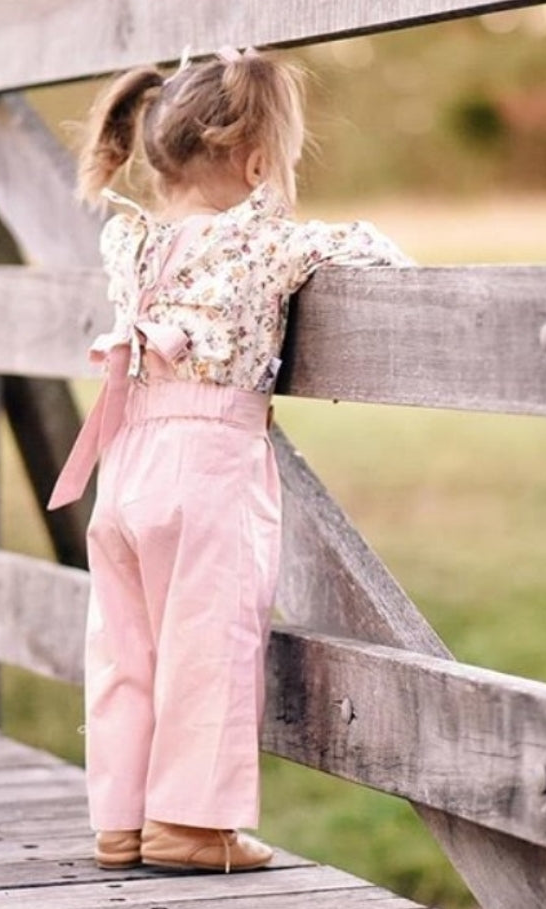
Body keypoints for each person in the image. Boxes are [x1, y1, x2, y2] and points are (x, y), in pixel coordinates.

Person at [48, 46, 410, 873]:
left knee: (124, 646)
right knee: (210, 642)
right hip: (210, 466)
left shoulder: (129, 242)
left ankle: (122, 818)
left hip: (125, 460)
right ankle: (190, 825)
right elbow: (376, 254)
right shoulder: (263, 242)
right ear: (255, 164)